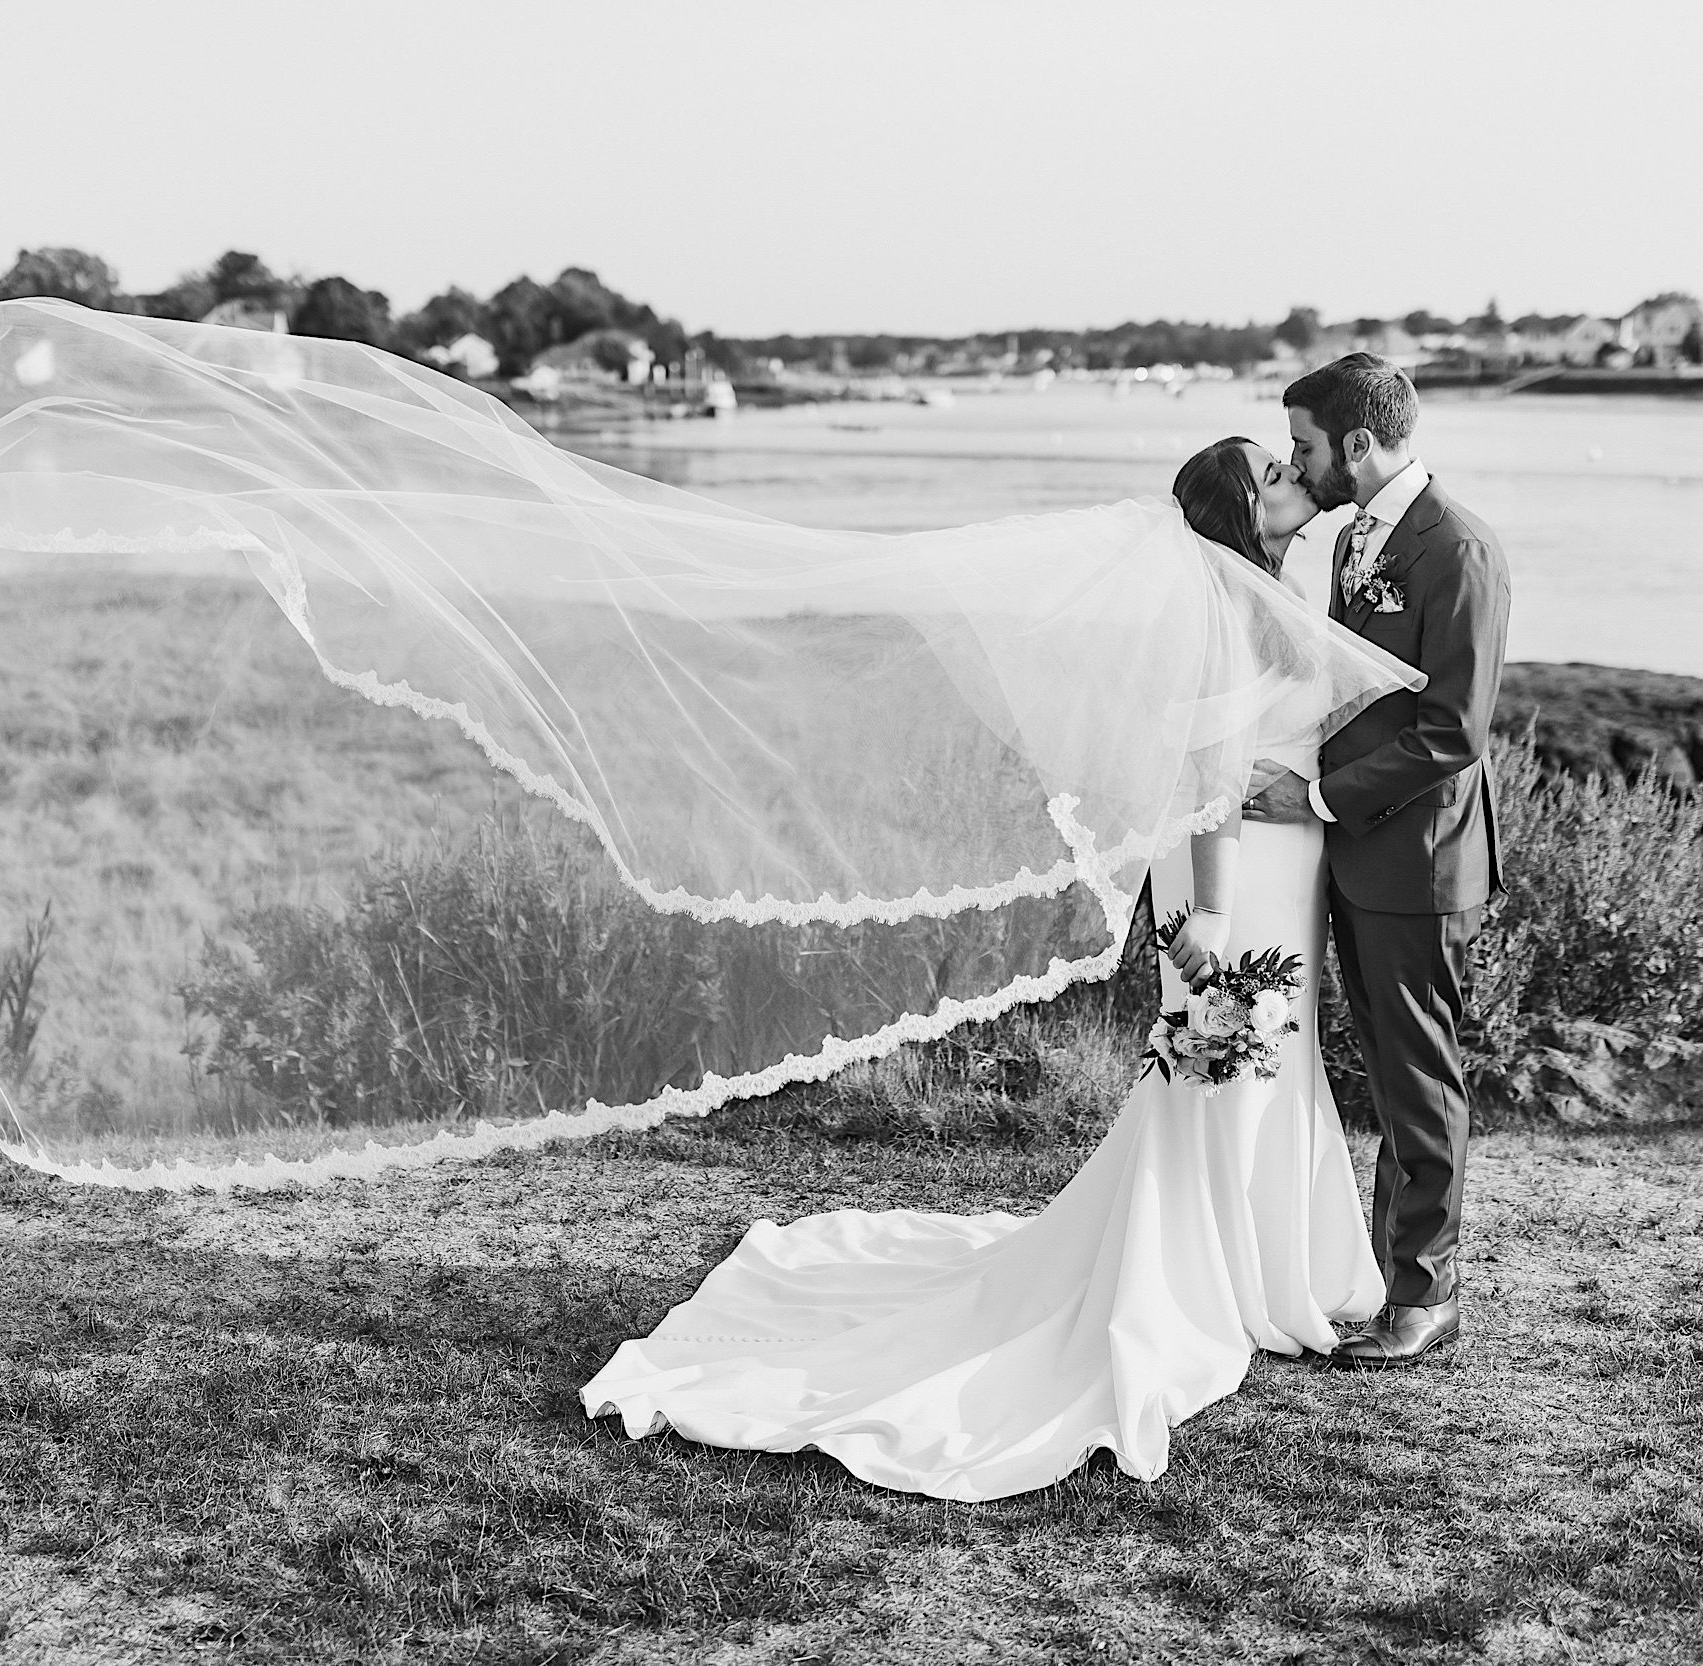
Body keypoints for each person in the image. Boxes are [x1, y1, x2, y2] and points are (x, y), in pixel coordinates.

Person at [579, 434, 1409, 1500]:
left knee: (1264, 1066)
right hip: (1229, 872)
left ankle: (1259, 1264)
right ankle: (1199, 1279)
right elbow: (1204, 770)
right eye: (1277, 475)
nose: (1298, 479)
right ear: (1242, 511)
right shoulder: (1214, 606)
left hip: (1279, 862)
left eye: (1292, 465)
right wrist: (1204, 906)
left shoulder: (1265, 587)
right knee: (1222, 1065)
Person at [1243, 354, 1512, 1368]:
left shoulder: (1458, 552)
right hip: (1360, 855)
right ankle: (1398, 1271)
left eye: (1305, 447)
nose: (1296, 463)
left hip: (1420, 861)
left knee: (1417, 1074)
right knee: (1394, 1074)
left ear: (1357, 444)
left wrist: (1313, 796)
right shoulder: (1356, 536)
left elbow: (1451, 731)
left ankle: (1426, 1292)